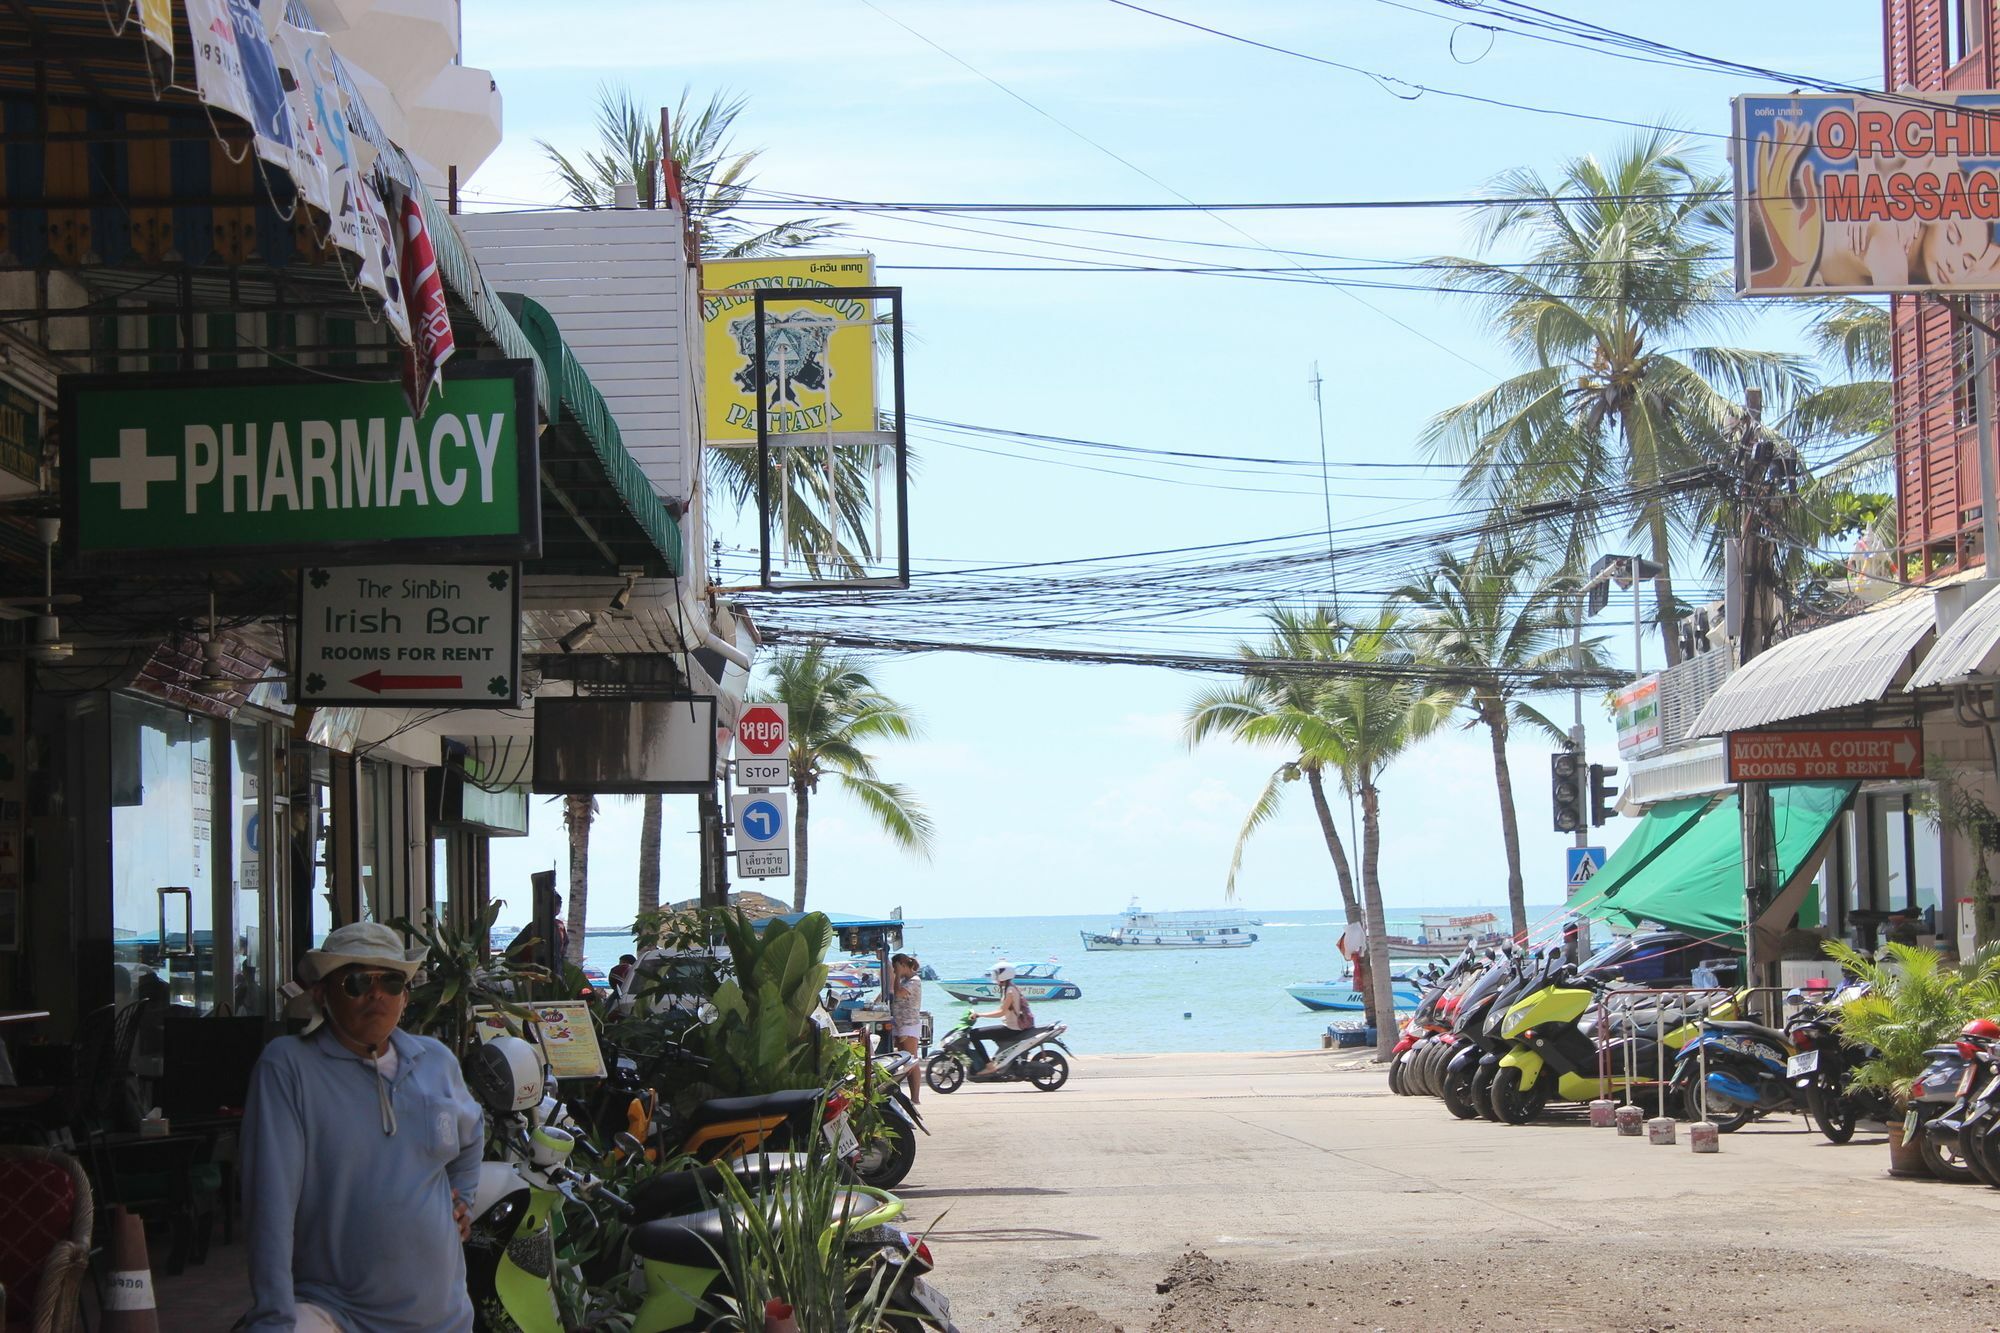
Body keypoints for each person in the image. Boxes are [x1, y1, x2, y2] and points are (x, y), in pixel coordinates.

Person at [241, 922, 485, 1333]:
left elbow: (472, 1135)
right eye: (357, 981)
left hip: (445, 1319)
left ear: (405, 996)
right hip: (335, 1314)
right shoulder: (289, 1067)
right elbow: (269, 1206)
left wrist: (464, 1201)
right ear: (322, 993)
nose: (377, 994)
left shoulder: (436, 1062)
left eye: (391, 981)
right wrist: (273, 1319)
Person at [968, 961, 1035, 1075]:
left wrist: (980, 1014)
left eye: (996, 974)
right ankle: (998, 1062)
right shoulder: (1009, 988)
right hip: (1009, 1026)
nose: (995, 977)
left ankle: (990, 1067)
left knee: (974, 1034)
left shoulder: (1009, 991)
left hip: (1011, 1028)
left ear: (1004, 975)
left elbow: (1001, 1012)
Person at [889, 953, 924, 1103]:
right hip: (901, 1024)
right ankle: (909, 1096)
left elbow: (898, 992)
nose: (895, 971)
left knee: (912, 1060)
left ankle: (915, 1097)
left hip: (909, 1025)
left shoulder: (914, 981)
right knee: (905, 1061)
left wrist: (896, 975)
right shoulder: (906, 980)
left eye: (896, 968)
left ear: (903, 966)